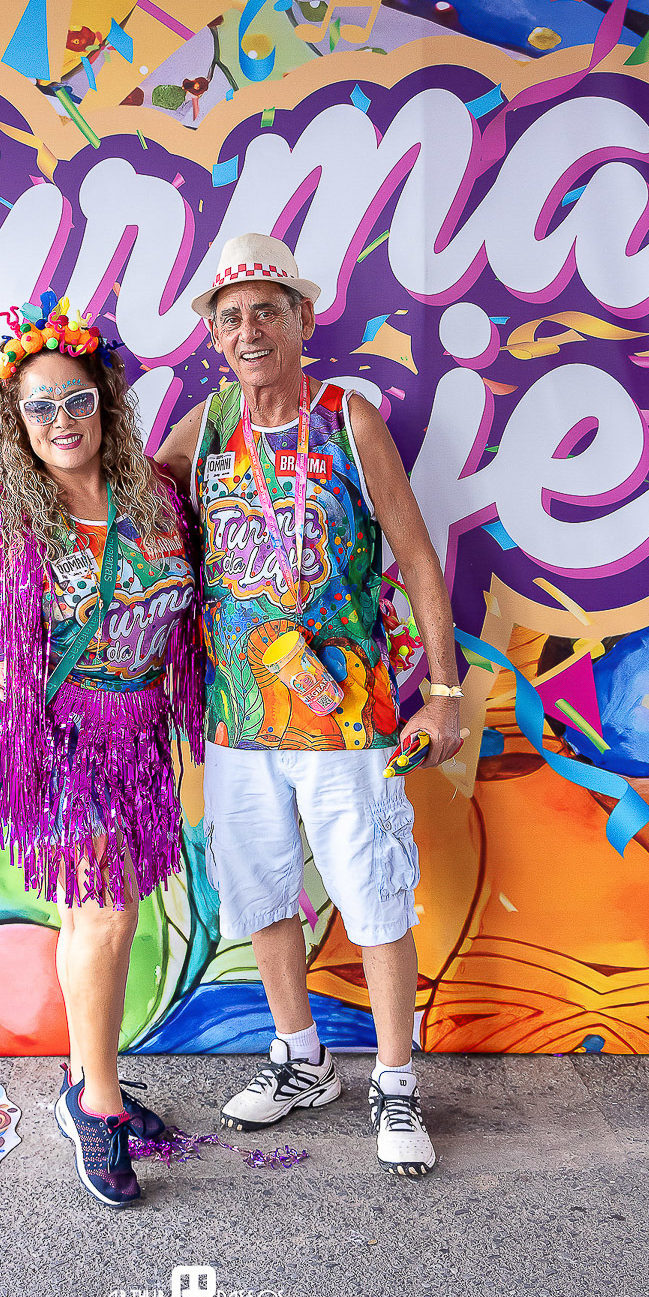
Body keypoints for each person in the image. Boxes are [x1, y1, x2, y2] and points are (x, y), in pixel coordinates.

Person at [154, 234, 463, 1179]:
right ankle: (301, 1059)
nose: (249, 330)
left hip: (348, 718)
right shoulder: (204, 430)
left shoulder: (347, 420)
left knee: (374, 893)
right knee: (259, 890)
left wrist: (444, 691)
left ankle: (396, 1082)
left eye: (267, 310)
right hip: (240, 717)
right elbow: (130, 512)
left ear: (303, 319)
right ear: (215, 335)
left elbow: (416, 557)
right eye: (230, 317)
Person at [0, 292, 203, 1210]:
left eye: (76, 399)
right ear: (15, 422)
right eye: (39, 408)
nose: (62, 421)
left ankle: (81, 1080)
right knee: (105, 919)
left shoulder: (154, 493)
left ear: (105, 400)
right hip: (63, 739)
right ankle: (98, 1107)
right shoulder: (9, 511)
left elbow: (213, 435)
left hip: (138, 736)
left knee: (94, 920)